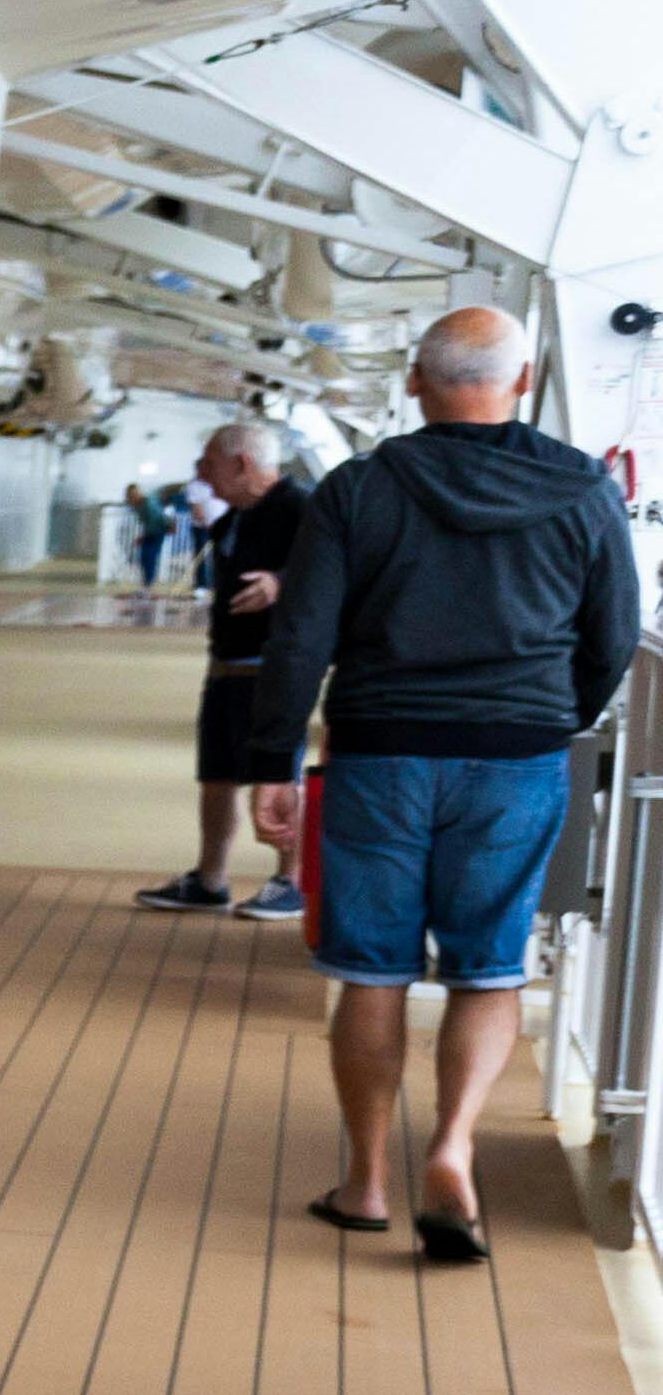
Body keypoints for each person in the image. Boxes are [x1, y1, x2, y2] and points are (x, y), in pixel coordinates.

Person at [255, 303, 636, 1265]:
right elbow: (612, 636)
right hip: (516, 753)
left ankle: (364, 1183)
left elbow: (301, 636)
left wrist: (272, 761)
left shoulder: (357, 488)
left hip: (380, 750)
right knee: (490, 965)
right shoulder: (583, 489)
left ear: (415, 382)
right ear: (525, 380)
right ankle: (454, 1145)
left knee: (372, 969)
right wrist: (552, 717)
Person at [134, 420, 312, 921]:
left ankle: (291, 880)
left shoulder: (300, 508)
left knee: (279, 775)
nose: (201, 474)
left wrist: (280, 582)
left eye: (209, 463)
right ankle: (210, 880)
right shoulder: (235, 517)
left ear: (242, 464)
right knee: (217, 776)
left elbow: (338, 568)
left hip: (273, 668)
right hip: (226, 666)